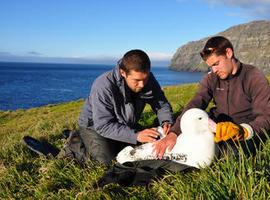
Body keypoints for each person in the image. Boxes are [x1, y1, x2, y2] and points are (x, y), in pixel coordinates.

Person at [154, 36, 270, 159]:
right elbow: (195, 103)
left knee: (232, 154)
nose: (214, 70)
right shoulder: (211, 78)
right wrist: (174, 132)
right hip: (217, 128)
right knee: (181, 144)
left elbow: (266, 116)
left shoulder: (254, 76)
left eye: (216, 64)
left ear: (228, 53)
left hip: (244, 130)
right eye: (211, 66)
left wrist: (243, 131)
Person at [78, 49, 174, 165]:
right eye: (137, 80)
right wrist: (136, 135)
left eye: (145, 78)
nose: (142, 84)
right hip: (95, 127)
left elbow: (161, 104)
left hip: (125, 123)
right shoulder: (103, 86)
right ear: (123, 73)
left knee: (146, 148)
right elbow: (103, 125)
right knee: (109, 162)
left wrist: (166, 121)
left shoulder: (146, 78)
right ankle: (75, 145)